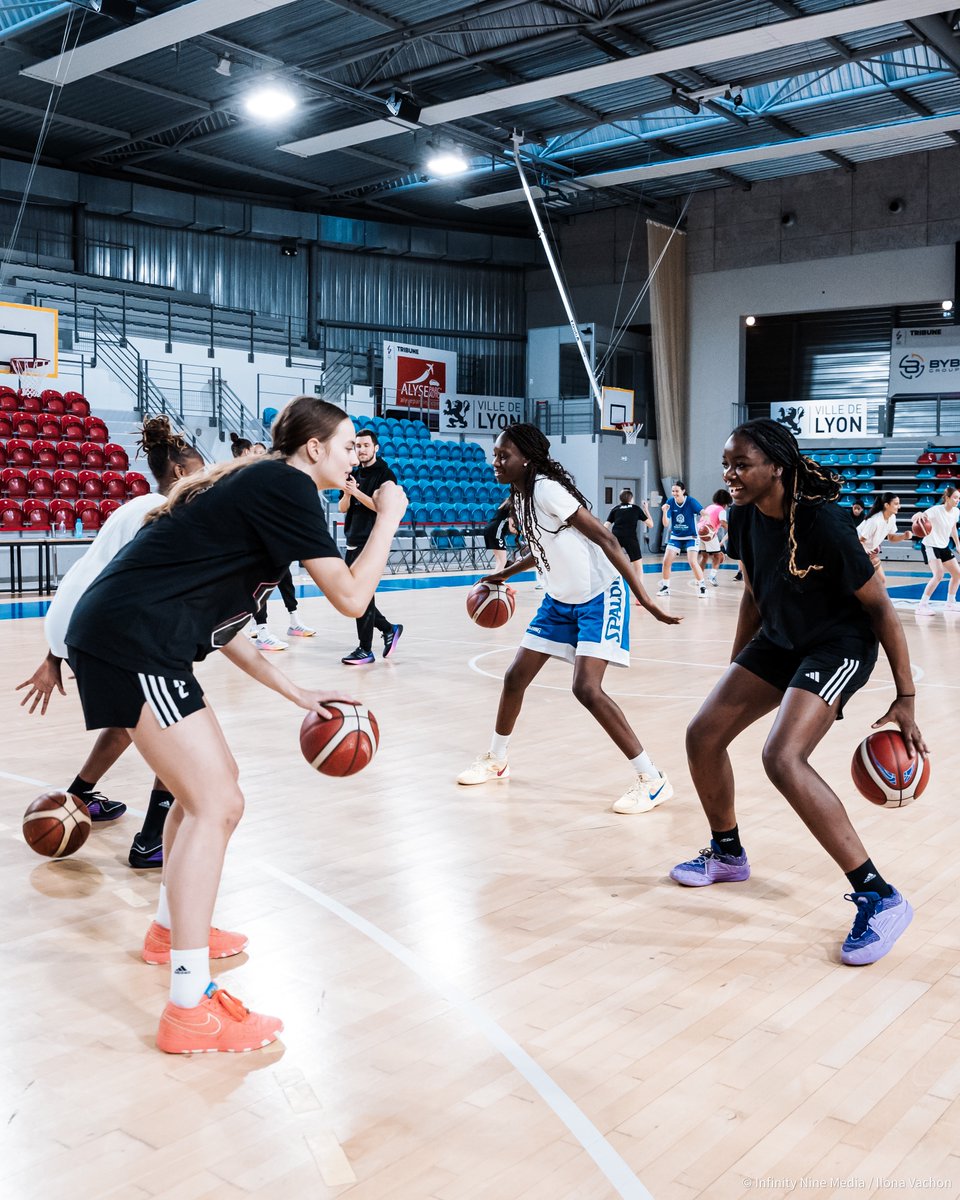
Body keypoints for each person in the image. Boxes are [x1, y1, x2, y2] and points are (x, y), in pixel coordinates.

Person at [64, 396, 408, 1053]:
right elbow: (353, 598)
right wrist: (388, 516)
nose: (352, 459)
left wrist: (296, 691)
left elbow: (229, 628)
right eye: (345, 448)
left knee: (207, 796)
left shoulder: (260, 486)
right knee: (216, 803)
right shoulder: (286, 485)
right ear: (313, 449)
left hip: (137, 638)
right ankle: (189, 1008)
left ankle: (170, 931)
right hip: (135, 643)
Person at [672, 419, 926, 967]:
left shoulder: (825, 524)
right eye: (727, 464)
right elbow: (754, 593)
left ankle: (880, 897)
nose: (730, 474)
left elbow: (881, 607)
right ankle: (727, 852)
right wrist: (737, 664)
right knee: (702, 734)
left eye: (742, 464)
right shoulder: (741, 517)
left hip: (839, 645)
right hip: (779, 638)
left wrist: (905, 697)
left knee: (781, 757)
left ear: (777, 468)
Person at [456, 423, 681, 814]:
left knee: (587, 689)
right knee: (514, 678)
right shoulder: (521, 494)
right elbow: (544, 547)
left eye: (503, 455)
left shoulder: (545, 488)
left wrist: (644, 597)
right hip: (559, 600)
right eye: (495, 454)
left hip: (600, 595)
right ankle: (497, 760)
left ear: (526, 458)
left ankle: (653, 779)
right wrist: (504, 573)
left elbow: (607, 540)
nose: (495, 461)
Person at [16, 417, 205, 869]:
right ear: (180, 473)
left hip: (76, 624)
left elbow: (89, 576)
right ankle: (151, 841)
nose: (207, 481)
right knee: (175, 725)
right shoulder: (164, 513)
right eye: (202, 471)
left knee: (128, 722)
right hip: (108, 634)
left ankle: (78, 798)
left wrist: (55, 651)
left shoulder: (134, 506)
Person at [230, 432, 315, 648]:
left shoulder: (263, 476)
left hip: (270, 540)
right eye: (257, 453)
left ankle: (293, 621)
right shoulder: (237, 477)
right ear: (246, 453)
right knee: (258, 587)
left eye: (263, 453)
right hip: (248, 544)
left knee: (284, 579)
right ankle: (260, 629)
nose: (261, 456)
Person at [338, 427, 403, 665]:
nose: (361, 449)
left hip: (371, 541)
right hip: (352, 540)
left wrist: (356, 492)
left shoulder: (386, 475)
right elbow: (342, 508)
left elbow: (383, 508)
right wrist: (347, 493)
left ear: (375, 448)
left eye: (365, 445)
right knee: (354, 596)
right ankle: (389, 628)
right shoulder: (352, 474)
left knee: (361, 597)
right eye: (357, 446)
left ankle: (365, 649)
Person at [658, 481, 706, 598]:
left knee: (692, 561)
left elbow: (705, 514)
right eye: (673, 491)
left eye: (677, 491)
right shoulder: (670, 502)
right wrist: (664, 512)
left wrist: (704, 525)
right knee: (666, 561)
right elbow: (665, 524)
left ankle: (702, 587)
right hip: (676, 536)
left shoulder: (691, 501)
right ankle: (665, 587)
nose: (674, 493)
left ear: (683, 491)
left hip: (692, 536)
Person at [916, 486, 960, 614]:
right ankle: (922, 605)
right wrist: (918, 515)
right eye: (955, 498)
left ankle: (950, 603)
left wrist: (958, 544)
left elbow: (953, 528)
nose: (957, 500)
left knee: (957, 574)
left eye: (959, 498)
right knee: (939, 574)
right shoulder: (935, 510)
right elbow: (919, 517)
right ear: (947, 498)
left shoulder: (956, 511)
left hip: (943, 546)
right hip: (930, 545)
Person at [605, 489, 654, 602]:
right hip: (630, 539)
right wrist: (646, 509)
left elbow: (605, 526)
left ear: (620, 499)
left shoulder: (615, 509)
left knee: (612, 565)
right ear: (631, 499)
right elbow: (651, 524)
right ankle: (640, 598)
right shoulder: (636, 509)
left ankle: (609, 593)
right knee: (638, 568)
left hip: (616, 538)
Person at [857, 493, 911, 587]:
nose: (899, 506)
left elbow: (891, 538)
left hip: (868, 552)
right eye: (896, 503)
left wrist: (904, 536)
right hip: (856, 551)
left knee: (881, 581)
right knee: (863, 584)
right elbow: (859, 541)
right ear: (887, 505)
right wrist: (867, 552)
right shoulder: (874, 521)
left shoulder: (892, 518)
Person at [697, 488, 731, 586]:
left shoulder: (710, 507)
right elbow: (723, 523)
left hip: (699, 531)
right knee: (718, 556)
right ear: (727, 501)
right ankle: (712, 576)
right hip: (709, 533)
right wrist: (733, 531)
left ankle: (699, 578)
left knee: (704, 556)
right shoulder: (721, 510)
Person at [482, 496, 515, 573]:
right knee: (503, 561)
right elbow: (512, 529)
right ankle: (495, 581)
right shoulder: (512, 508)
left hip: (489, 528)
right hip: (496, 530)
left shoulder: (504, 504)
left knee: (499, 560)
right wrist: (523, 534)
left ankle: (493, 579)